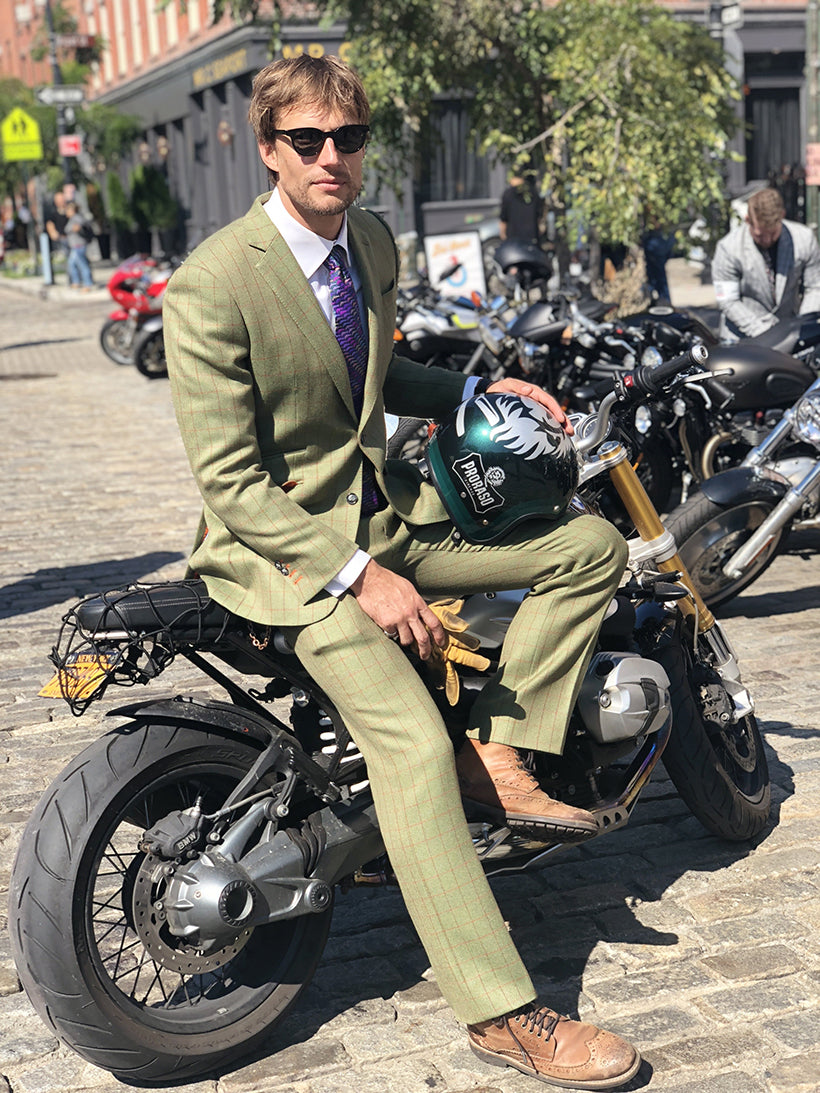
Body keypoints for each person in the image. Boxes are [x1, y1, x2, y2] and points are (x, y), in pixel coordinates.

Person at [163, 55, 639, 1091]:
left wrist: (479, 383)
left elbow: (366, 380)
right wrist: (356, 577)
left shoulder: (368, 242)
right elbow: (235, 483)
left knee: (589, 546)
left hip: (389, 519)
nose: (332, 158)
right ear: (267, 147)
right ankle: (503, 1012)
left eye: (349, 138)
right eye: (307, 141)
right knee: (412, 747)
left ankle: (506, 750)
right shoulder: (213, 282)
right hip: (284, 557)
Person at [712, 186, 820, 342]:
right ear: (747, 220)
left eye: (773, 234)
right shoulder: (728, 248)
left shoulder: (804, 239)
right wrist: (768, 334)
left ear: (782, 217)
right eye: (760, 235)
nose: (767, 240)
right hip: (742, 338)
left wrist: (802, 326)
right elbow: (728, 301)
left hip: (790, 335)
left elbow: (815, 287)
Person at [498, 171, 544, 246]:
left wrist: (502, 234)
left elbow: (503, 217)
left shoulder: (508, 194)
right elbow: (539, 215)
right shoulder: (533, 193)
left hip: (513, 238)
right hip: (531, 237)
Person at [64, 201, 95, 290]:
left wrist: (75, 229)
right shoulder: (72, 219)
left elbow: (79, 225)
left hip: (79, 245)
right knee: (72, 264)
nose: (66, 212)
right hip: (75, 246)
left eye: (68, 210)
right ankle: (76, 282)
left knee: (82, 264)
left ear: (72, 210)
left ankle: (88, 284)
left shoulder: (76, 218)